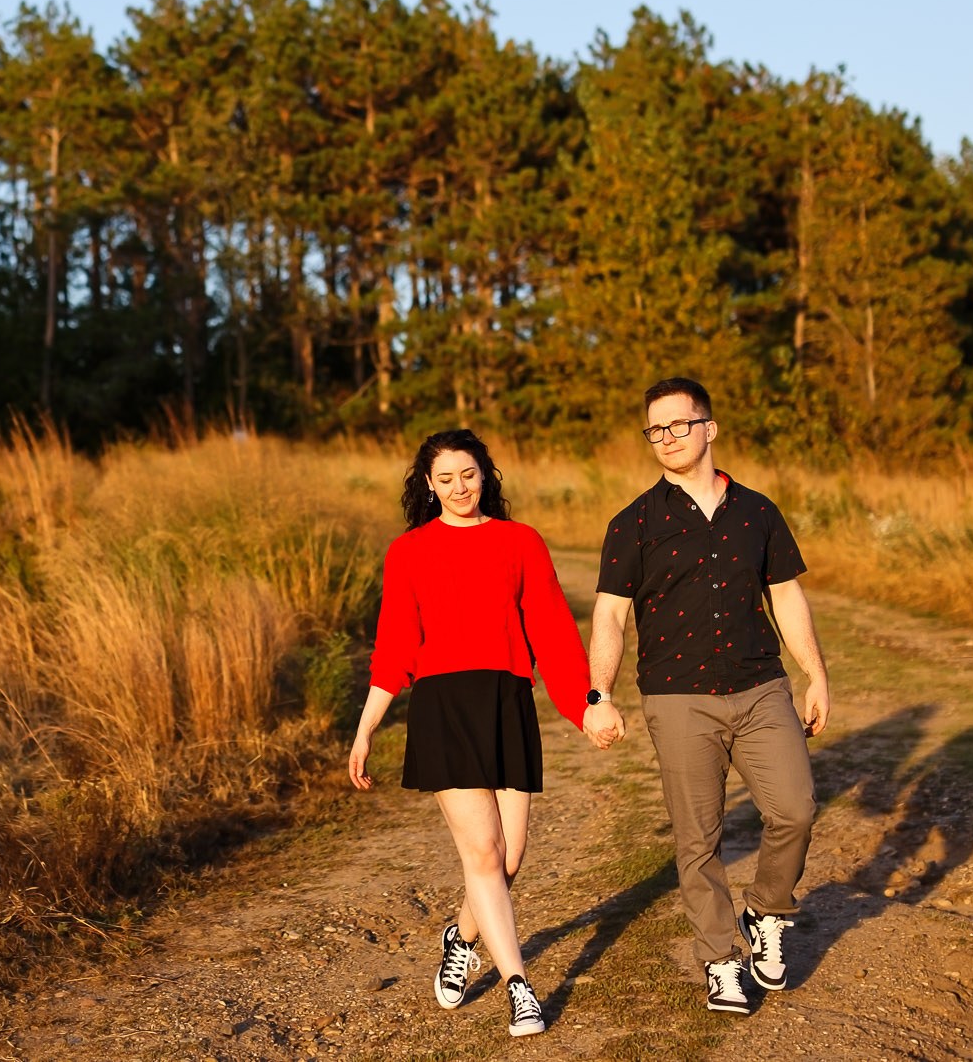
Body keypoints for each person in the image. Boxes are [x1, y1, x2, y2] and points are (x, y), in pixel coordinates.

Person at [582, 377, 831, 1015]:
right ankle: (721, 959)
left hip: (760, 685)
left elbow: (786, 595)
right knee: (699, 839)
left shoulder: (758, 512)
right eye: (655, 430)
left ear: (709, 429)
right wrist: (598, 693)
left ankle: (768, 913)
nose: (665, 439)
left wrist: (815, 673)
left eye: (678, 425)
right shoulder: (633, 523)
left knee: (796, 809)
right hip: (677, 696)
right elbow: (610, 615)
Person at [346, 428, 592, 1038]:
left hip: (507, 700)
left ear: (486, 476)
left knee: (506, 862)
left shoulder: (520, 542)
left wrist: (587, 706)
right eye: (446, 478)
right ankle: (520, 987)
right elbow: (395, 647)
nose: (459, 487)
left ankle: (461, 936)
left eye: (469, 474)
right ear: (428, 485)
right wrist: (367, 727)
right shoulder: (409, 552)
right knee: (482, 855)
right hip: (445, 707)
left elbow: (554, 632)